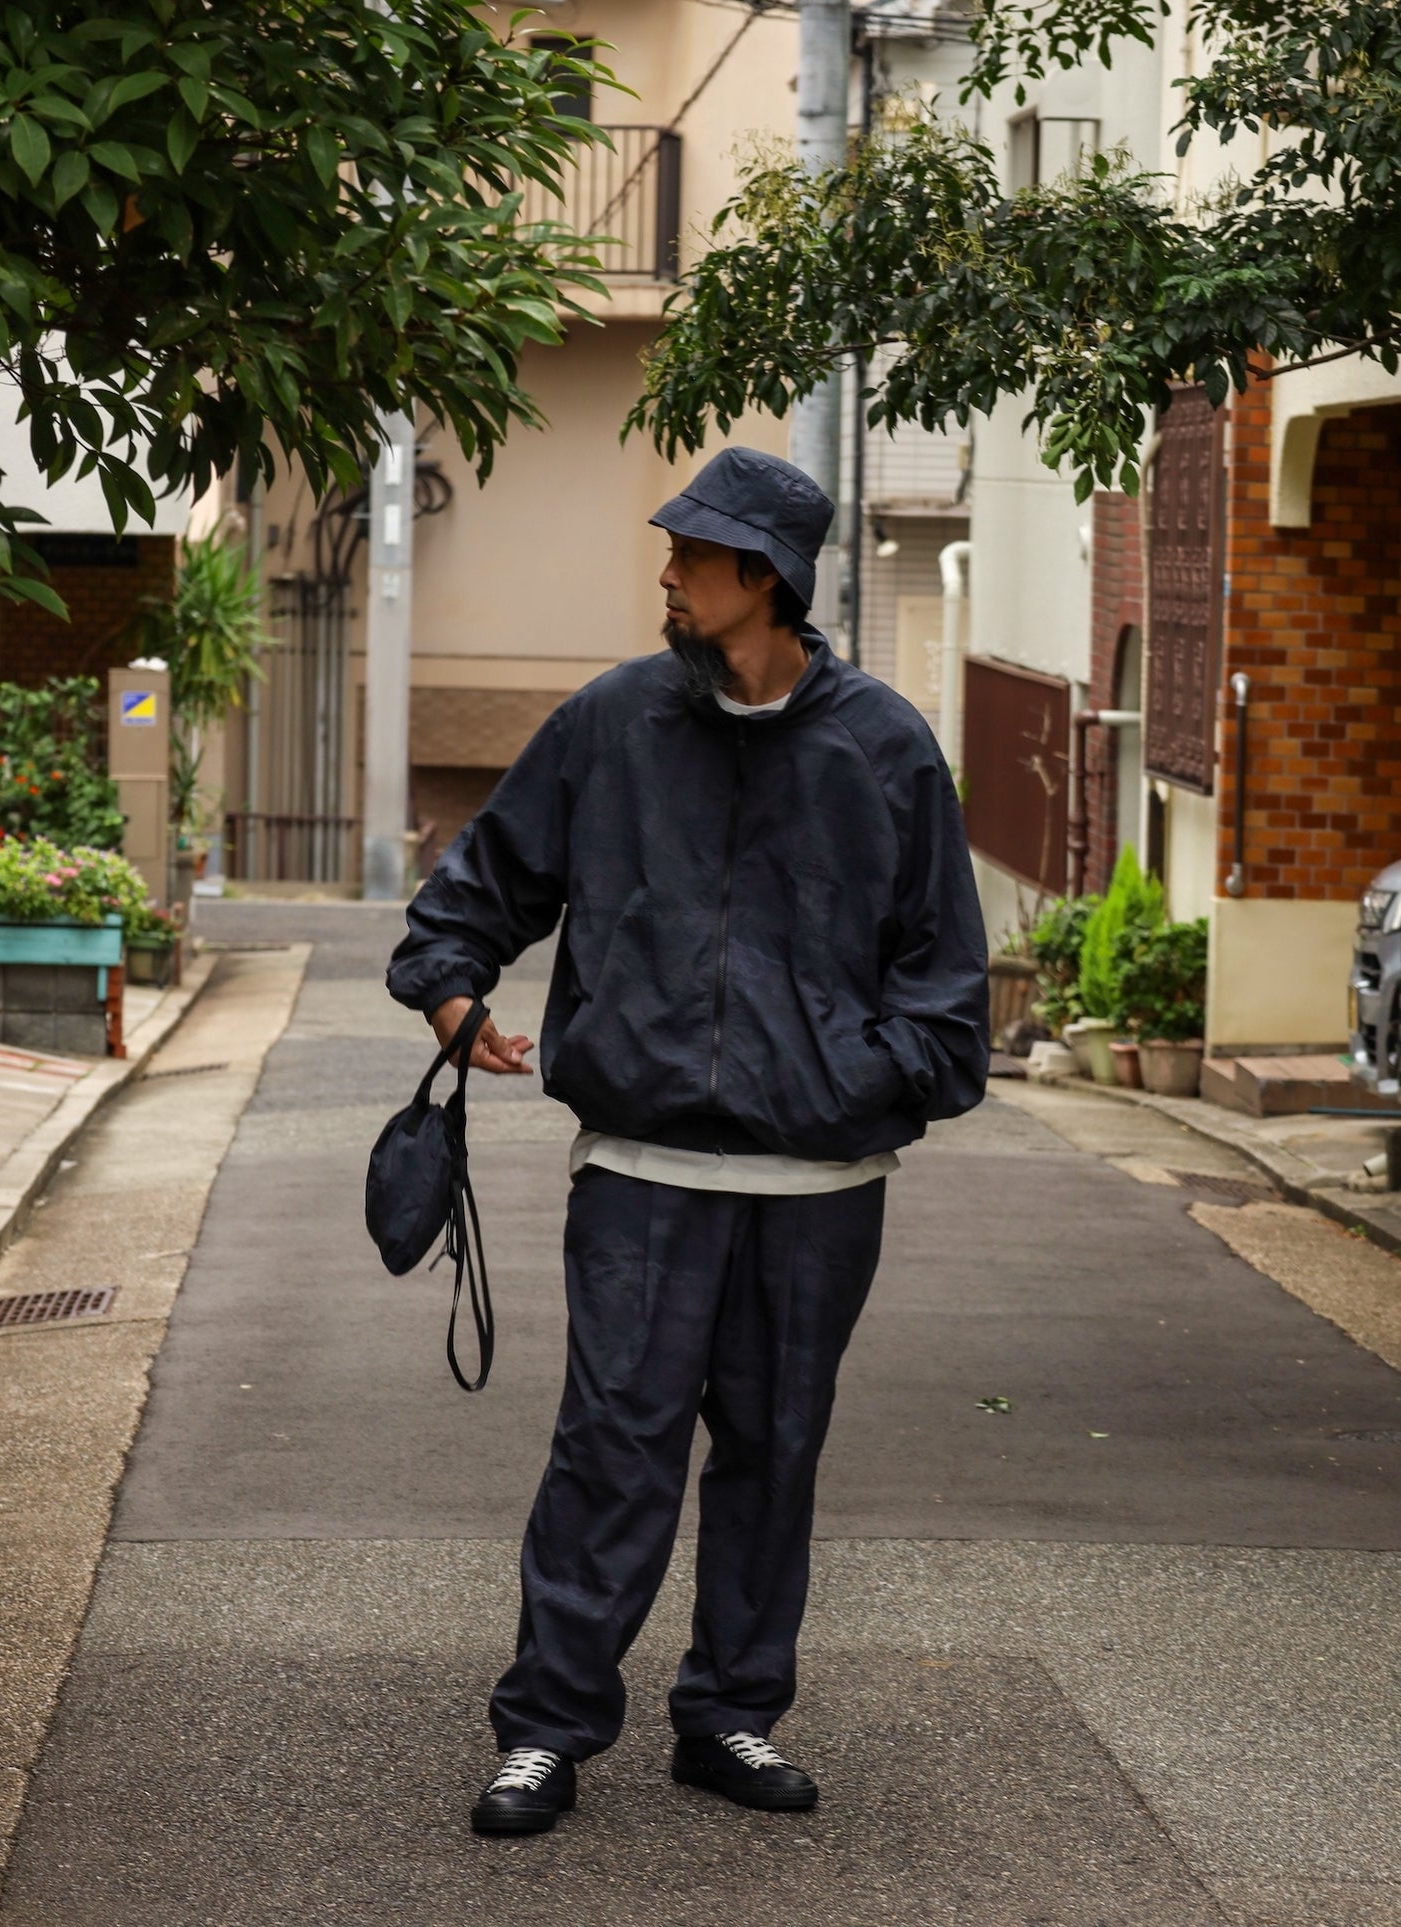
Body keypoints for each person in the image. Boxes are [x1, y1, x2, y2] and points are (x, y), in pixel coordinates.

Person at [386, 446, 989, 1836]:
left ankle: (729, 1714)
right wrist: (453, 994)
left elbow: (945, 981)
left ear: (761, 579)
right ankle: (545, 1731)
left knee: (775, 1451)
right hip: (640, 1170)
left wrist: (856, 1080)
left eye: (693, 556)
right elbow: (480, 887)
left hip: (822, 1185)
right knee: (612, 1448)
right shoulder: (612, 722)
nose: (666, 575)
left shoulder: (885, 746)